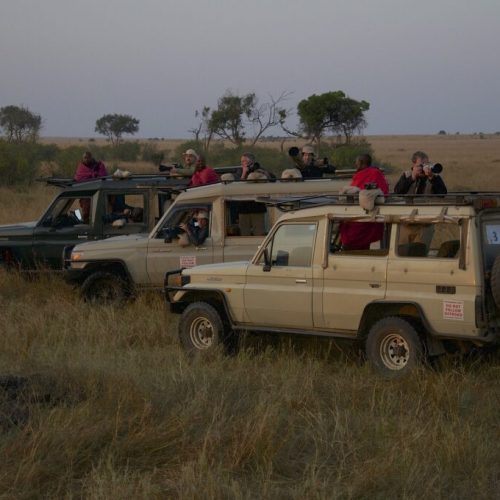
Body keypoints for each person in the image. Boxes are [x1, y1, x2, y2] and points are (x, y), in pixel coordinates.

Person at [339, 154, 389, 250]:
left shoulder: (373, 173)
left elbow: (383, 193)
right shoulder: (375, 173)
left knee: (352, 241)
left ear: (362, 164)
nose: (355, 165)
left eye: (357, 163)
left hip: (364, 216)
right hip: (365, 217)